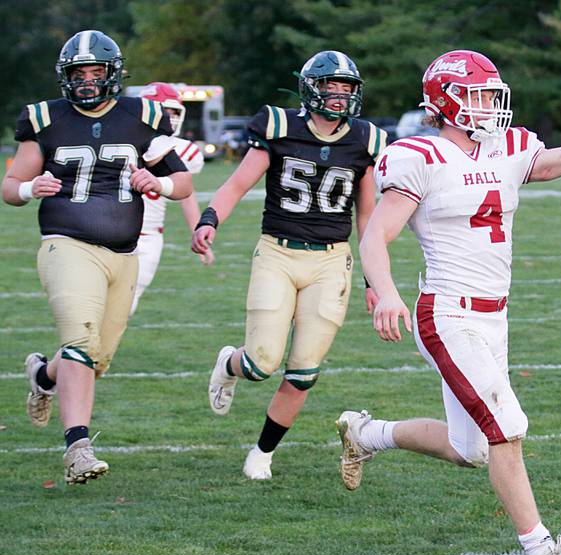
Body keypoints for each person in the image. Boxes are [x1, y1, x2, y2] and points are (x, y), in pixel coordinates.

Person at [337, 50, 561, 555]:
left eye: (492, 94)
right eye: (478, 93)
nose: (490, 104)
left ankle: (368, 434)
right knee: (507, 426)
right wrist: (384, 292)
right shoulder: (418, 157)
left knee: (470, 449)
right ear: (445, 100)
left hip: (495, 316)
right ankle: (542, 550)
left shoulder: (508, 147)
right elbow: (375, 236)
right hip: (447, 314)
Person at [1, 30, 192, 485]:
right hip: (65, 244)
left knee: (95, 358)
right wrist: (30, 189)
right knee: (81, 345)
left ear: (112, 73)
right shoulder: (45, 118)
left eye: (95, 72)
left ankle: (44, 377)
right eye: (79, 74)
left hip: (124, 254)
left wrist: (158, 183)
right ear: (65, 77)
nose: (87, 82)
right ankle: (78, 447)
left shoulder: (144, 115)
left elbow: (182, 183)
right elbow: (10, 186)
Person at [191, 50, 385, 480]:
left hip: (332, 261)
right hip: (277, 253)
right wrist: (210, 219)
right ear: (311, 89)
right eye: (330, 87)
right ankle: (230, 364)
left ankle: (263, 453)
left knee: (303, 370)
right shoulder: (279, 126)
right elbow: (239, 183)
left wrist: (376, 281)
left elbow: (368, 217)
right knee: (261, 362)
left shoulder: (366, 139)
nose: (339, 96)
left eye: (346, 88)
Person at [131, 82, 213, 315]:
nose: (171, 117)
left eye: (175, 111)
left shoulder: (184, 150)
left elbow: (186, 194)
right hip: (109, 229)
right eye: (165, 110)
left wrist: (199, 232)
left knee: (124, 306)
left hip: (148, 236)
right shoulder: (124, 140)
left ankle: (70, 353)